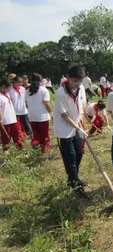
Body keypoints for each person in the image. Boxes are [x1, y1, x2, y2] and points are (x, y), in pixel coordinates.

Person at [54, 65, 88, 197]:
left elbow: (81, 108)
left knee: (79, 153)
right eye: (74, 81)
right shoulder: (61, 93)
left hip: (77, 126)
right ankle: (76, 185)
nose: (77, 84)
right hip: (65, 129)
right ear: (68, 78)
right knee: (70, 158)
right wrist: (78, 127)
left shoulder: (81, 89)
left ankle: (74, 178)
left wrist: (80, 125)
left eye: (79, 81)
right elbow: (64, 115)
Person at [25, 73, 52, 153]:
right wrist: (51, 112)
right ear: (40, 80)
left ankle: (35, 144)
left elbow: (26, 103)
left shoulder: (27, 90)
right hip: (42, 116)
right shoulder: (43, 90)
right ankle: (45, 149)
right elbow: (46, 103)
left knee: (36, 133)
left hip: (32, 115)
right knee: (45, 134)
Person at [0, 76, 24, 154]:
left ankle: (20, 149)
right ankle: (6, 153)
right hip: (5, 121)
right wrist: (1, 120)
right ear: (3, 86)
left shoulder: (6, 94)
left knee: (16, 135)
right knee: (6, 137)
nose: (10, 89)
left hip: (13, 119)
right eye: (9, 87)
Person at [9, 75, 33, 140]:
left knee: (27, 124)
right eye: (18, 82)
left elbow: (26, 99)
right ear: (14, 82)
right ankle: (17, 137)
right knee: (15, 126)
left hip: (23, 110)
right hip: (14, 111)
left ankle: (30, 136)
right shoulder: (10, 90)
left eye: (21, 82)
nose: (20, 84)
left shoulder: (23, 89)